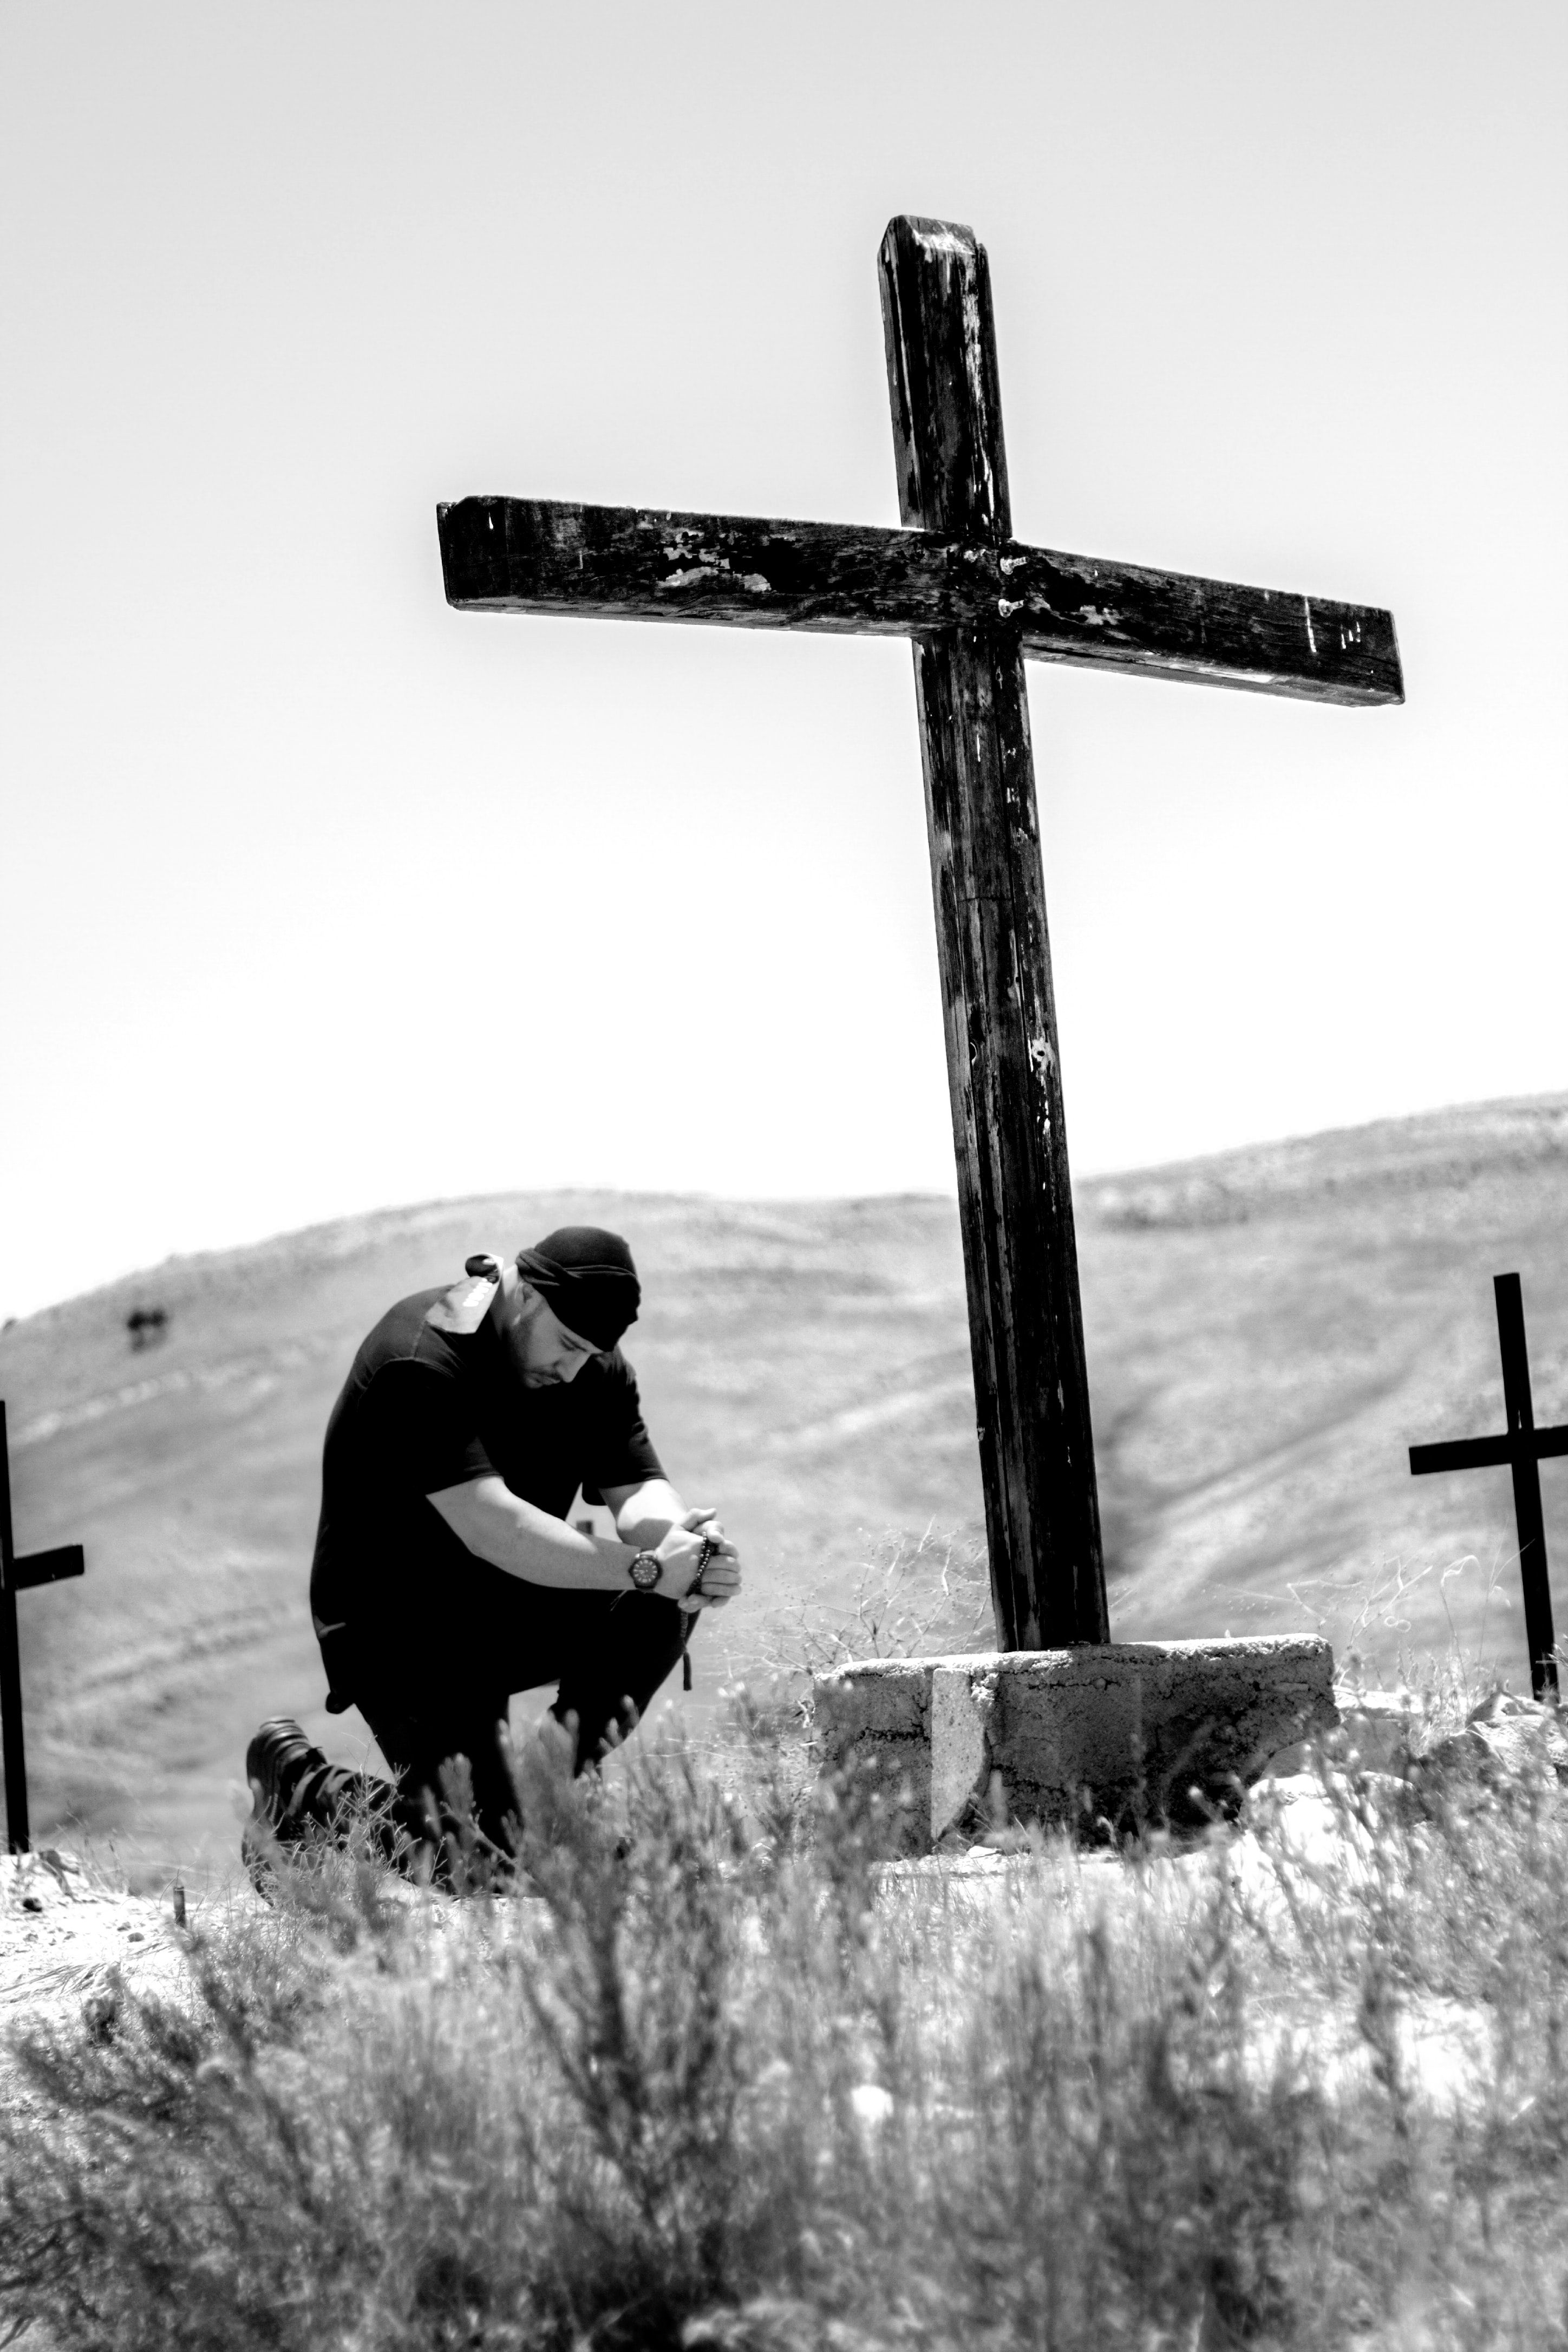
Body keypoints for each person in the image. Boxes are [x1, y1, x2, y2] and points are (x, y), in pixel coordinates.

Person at [242, 1224, 741, 1884]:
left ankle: (535, 1808)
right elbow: (494, 1527)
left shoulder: (590, 1367)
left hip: (501, 1603)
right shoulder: (418, 1359)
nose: (572, 1368)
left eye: (589, 1354)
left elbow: (639, 1488)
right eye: (565, 1345)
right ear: (521, 1293)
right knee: (479, 1865)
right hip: (399, 1628)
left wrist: (687, 1546)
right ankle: (305, 1792)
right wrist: (648, 1566)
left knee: (665, 1603)